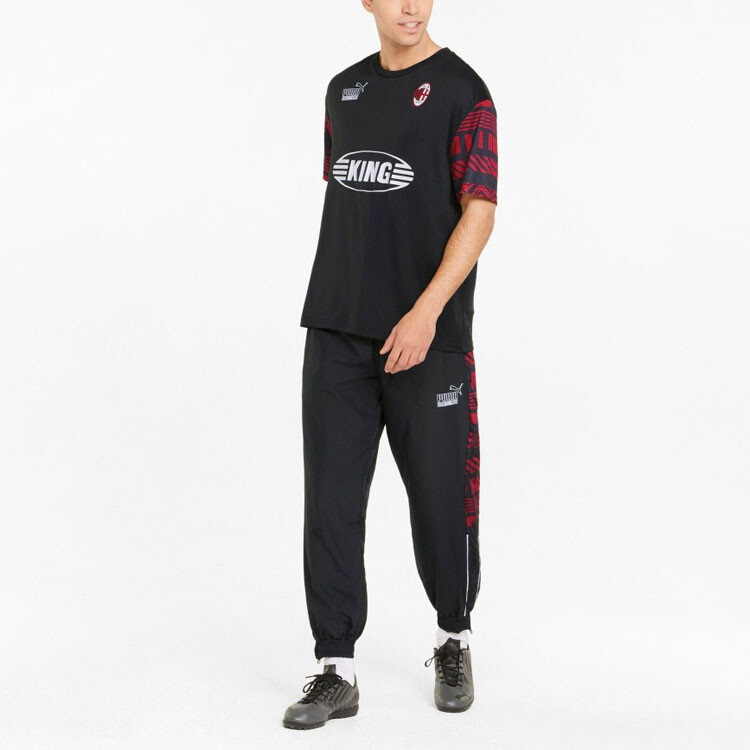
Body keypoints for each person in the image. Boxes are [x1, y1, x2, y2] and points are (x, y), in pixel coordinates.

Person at [283, 0, 497, 730]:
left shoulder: (464, 92)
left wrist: (426, 311)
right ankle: (335, 668)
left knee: (441, 497)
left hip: (426, 336)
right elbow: (350, 196)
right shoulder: (342, 91)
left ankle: (452, 637)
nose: (411, 5)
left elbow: (479, 211)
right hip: (337, 327)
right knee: (331, 501)